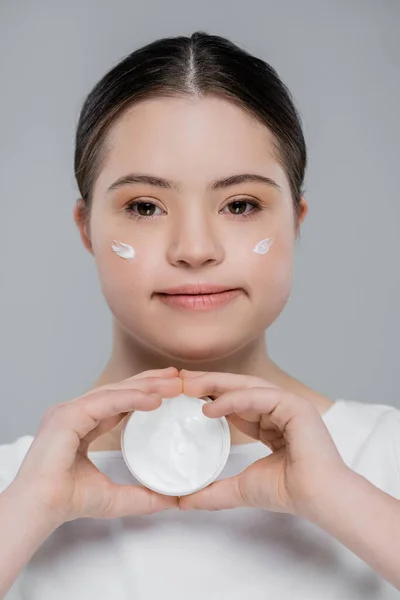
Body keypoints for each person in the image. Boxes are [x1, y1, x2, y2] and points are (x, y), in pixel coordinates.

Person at [0, 31, 399, 599]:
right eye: (144, 206)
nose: (194, 248)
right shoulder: (14, 490)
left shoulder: (384, 455)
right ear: (87, 228)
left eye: (241, 205)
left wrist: (343, 500)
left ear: (296, 221)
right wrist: (26, 511)